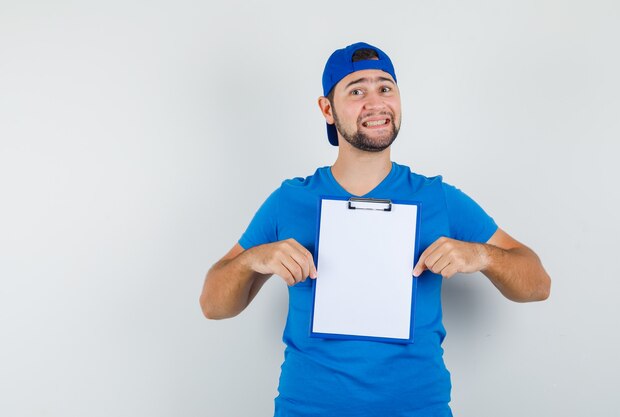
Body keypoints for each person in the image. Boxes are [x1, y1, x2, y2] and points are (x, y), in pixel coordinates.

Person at [199, 42, 551, 417]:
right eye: (356, 90)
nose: (376, 102)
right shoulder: (290, 200)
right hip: (308, 408)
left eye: (385, 88)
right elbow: (213, 305)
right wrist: (255, 259)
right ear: (327, 109)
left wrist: (481, 255)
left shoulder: (438, 198)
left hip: (419, 409)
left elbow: (537, 285)